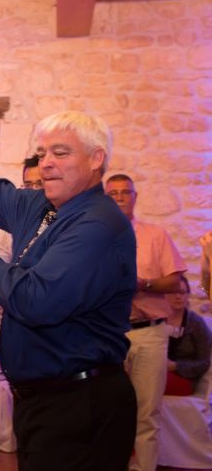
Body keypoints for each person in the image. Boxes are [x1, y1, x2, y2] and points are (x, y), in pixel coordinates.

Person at [0, 83, 137, 471]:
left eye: (60, 153)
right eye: (43, 153)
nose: (46, 163)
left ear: (97, 159)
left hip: (80, 403)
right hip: (39, 401)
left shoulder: (98, 223)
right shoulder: (39, 206)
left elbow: (35, 300)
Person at [105, 173, 186, 471]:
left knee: (146, 415)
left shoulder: (156, 235)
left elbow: (176, 282)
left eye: (125, 192)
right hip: (107, 335)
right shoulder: (94, 237)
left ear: (135, 197)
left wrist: (144, 285)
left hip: (149, 335)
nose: (119, 198)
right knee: (108, 412)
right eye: (112, 193)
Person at [0, 156, 41, 366]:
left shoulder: (59, 219)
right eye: (28, 184)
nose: (34, 190)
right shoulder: (14, 221)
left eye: (40, 183)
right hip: (13, 309)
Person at [164, 275, 212, 395]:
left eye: (182, 292)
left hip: (183, 378)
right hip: (156, 372)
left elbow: (204, 363)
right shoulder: (157, 320)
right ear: (164, 296)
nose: (178, 296)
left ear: (188, 295)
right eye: (172, 292)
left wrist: (175, 366)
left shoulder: (196, 324)